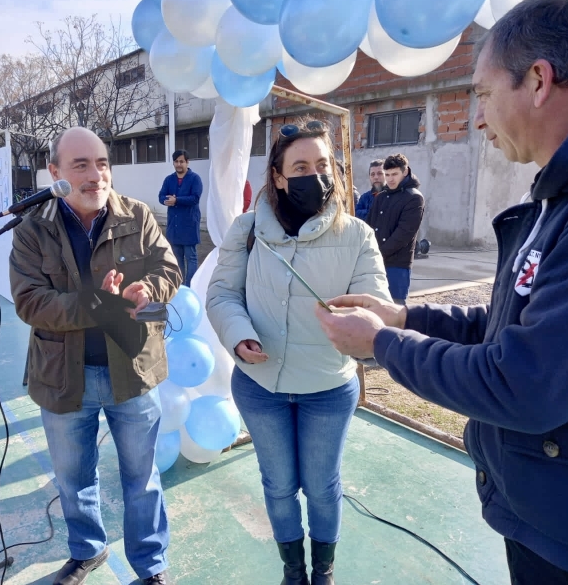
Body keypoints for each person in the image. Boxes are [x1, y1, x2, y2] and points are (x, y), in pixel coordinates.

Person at [315, 0, 568, 584]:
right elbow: (505, 326)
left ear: (538, 80)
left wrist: (381, 345)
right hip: (551, 517)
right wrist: (403, 318)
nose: (478, 118)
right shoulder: (565, 196)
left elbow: (522, 381)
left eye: (482, 95)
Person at [206, 118, 391, 585]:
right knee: (279, 485)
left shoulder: (357, 235)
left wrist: (365, 329)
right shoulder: (247, 230)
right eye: (302, 166)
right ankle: (293, 569)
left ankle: (323, 570)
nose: (316, 175)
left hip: (327, 388)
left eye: (323, 164)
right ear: (279, 176)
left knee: (323, 488)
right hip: (259, 386)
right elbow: (222, 294)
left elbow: (377, 309)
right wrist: (238, 334)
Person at [10, 126, 180, 585]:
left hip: (133, 372)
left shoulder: (138, 216)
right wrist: (97, 304)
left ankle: (151, 564)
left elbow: (169, 268)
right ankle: (87, 550)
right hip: (65, 377)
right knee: (73, 477)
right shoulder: (33, 230)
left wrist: (152, 288)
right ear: (55, 174)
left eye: (102, 163)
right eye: (80, 165)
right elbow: (30, 302)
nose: (95, 174)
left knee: (142, 479)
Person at [365, 153, 424, 305]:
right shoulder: (381, 197)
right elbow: (369, 226)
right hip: (375, 262)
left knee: (394, 309)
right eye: (387, 174)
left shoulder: (414, 198)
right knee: (373, 307)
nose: (390, 179)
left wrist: (378, 253)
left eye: (395, 174)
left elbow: (404, 234)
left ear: (405, 172)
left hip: (398, 264)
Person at [158, 150, 203, 286]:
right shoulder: (169, 179)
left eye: (181, 161)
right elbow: (161, 196)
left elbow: (195, 198)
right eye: (176, 161)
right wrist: (167, 200)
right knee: (177, 259)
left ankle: (190, 286)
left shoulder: (195, 178)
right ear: (173, 163)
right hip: (174, 225)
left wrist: (176, 200)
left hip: (189, 224)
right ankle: (179, 286)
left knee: (191, 258)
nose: (179, 164)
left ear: (187, 162)